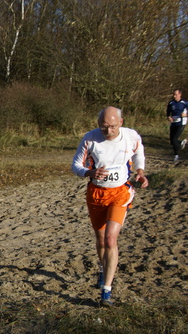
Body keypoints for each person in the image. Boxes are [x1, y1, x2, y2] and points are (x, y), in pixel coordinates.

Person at [71, 107, 149, 307]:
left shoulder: (131, 136)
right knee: (101, 239)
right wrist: (91, 173)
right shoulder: (90, 139)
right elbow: (75, 166)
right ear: (99, 124)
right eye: (104, 127)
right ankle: (102, 268)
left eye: (113, 127)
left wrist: (140, 171)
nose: (108, 131)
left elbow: (139, 151)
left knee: (111, 238)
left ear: (121, 122)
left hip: (120, 192)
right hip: (97, 194)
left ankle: (106, 291)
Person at [166, 89, 188, 162]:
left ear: (180, 94)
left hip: (181, 122)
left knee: (174, 139)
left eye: (176, 94)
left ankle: (176, 155)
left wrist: (186, 114)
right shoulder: (171, 103)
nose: (174, 96)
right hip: (173, 122)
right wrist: (168, 117)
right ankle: (181, 142)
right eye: (173, 94)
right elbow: (168, 112)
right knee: (172, 141)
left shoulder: (184, 103)